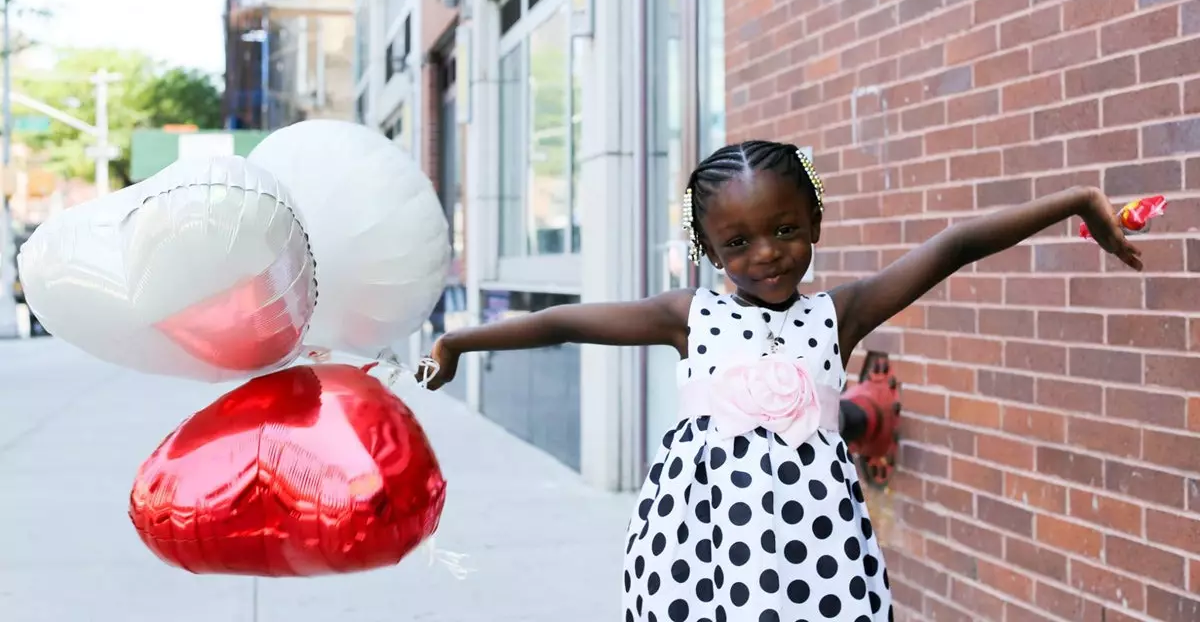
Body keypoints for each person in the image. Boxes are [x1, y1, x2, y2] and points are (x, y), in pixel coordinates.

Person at [425, 140, 1142, 621]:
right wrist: (460, 340)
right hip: (699, 541)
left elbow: (955, 245)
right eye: (737, 242)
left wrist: (1077, 201)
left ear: (815, 223)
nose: (766, 254)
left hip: (817, 545)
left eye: (785, 230)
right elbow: (563, 323)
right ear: (709, 250)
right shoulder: (690, 316)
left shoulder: (841, 313)